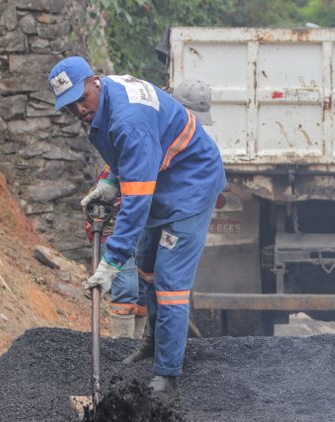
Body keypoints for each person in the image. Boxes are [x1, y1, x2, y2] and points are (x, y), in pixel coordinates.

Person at [48, 56, 226, 399]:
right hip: (165, 179)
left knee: (170, 282)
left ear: (94, 81)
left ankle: (166, 377)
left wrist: (111, 262)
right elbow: (133, 153)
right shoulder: (110, 96)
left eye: (81, 99)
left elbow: (137, 200)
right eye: (69, 107)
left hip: (191, 186)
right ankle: (153, 343)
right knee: (146, 267)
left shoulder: (129, 119)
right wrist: (111, 181)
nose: (79, 111)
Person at [83, 165, 148, 339]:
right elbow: (98, 207)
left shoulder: (152, 163)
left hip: (143, 232)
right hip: (113, 233)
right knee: (127, 287)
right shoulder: (117, 169)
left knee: (143, 292)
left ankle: (136, 345)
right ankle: (123, 344)